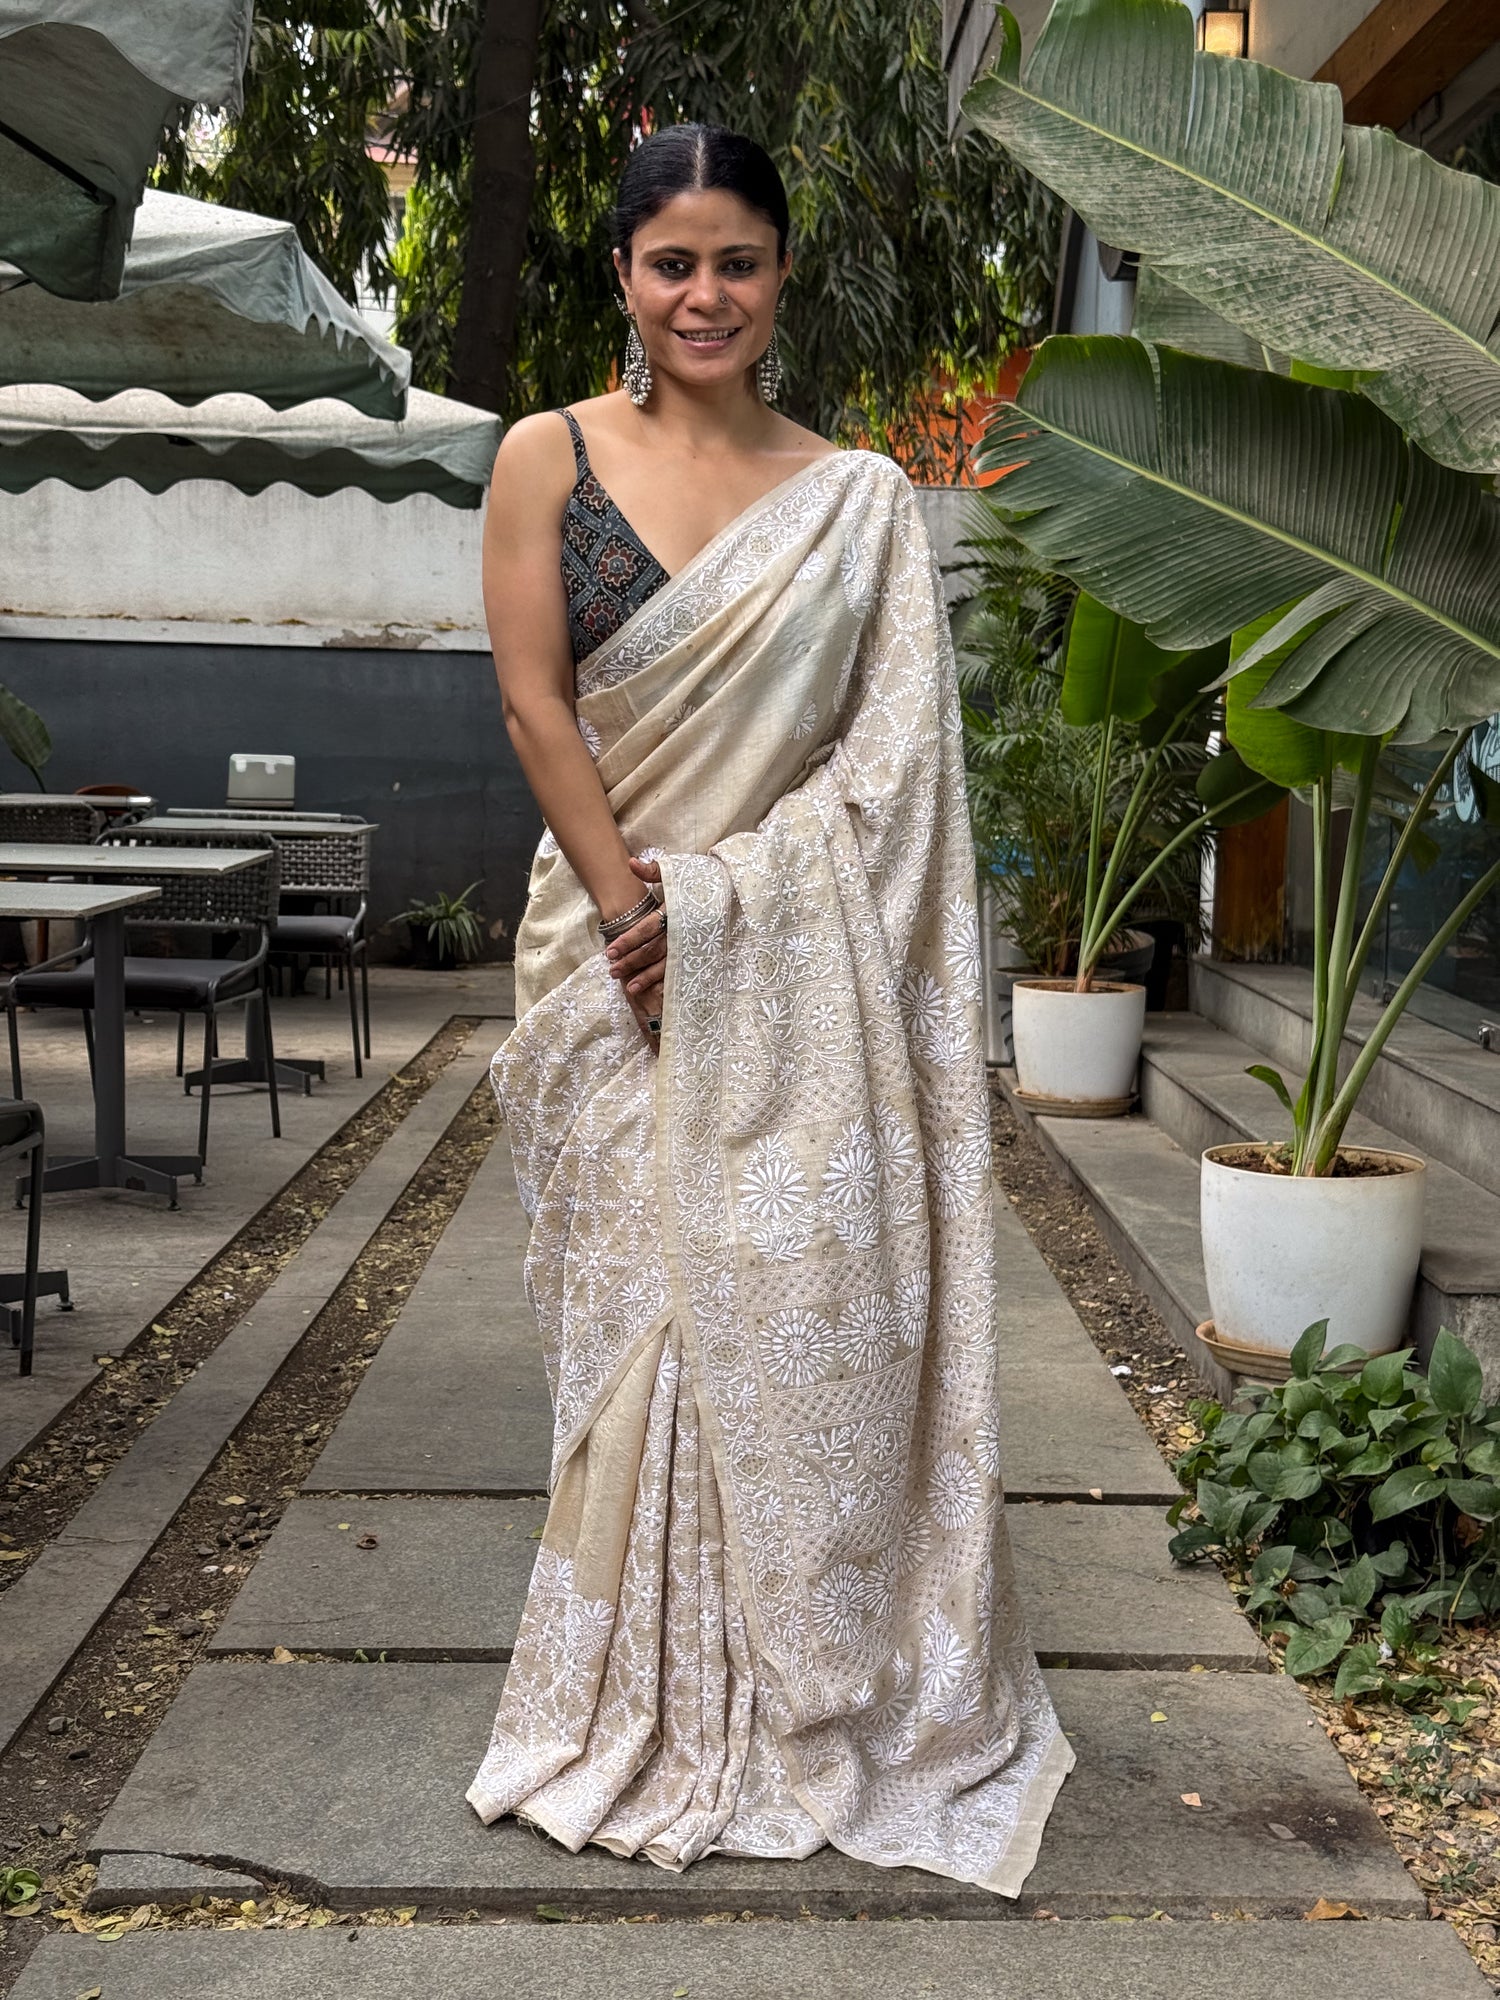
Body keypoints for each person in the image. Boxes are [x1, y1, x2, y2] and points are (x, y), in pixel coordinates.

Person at [468, 121, 1073, 1893]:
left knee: (776, 1303)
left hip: (777, 978)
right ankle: (632, 1692)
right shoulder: (544, 459)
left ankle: (794, 1682)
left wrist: (729, 917)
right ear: (626, 280)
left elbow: (896, 773)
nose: (705, 294)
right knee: (639, 1324)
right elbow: (533, 708)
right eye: (674, 262)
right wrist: (638, 913)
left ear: (782, 274)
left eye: (738, 260)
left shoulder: (860, 498)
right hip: (604, 963)